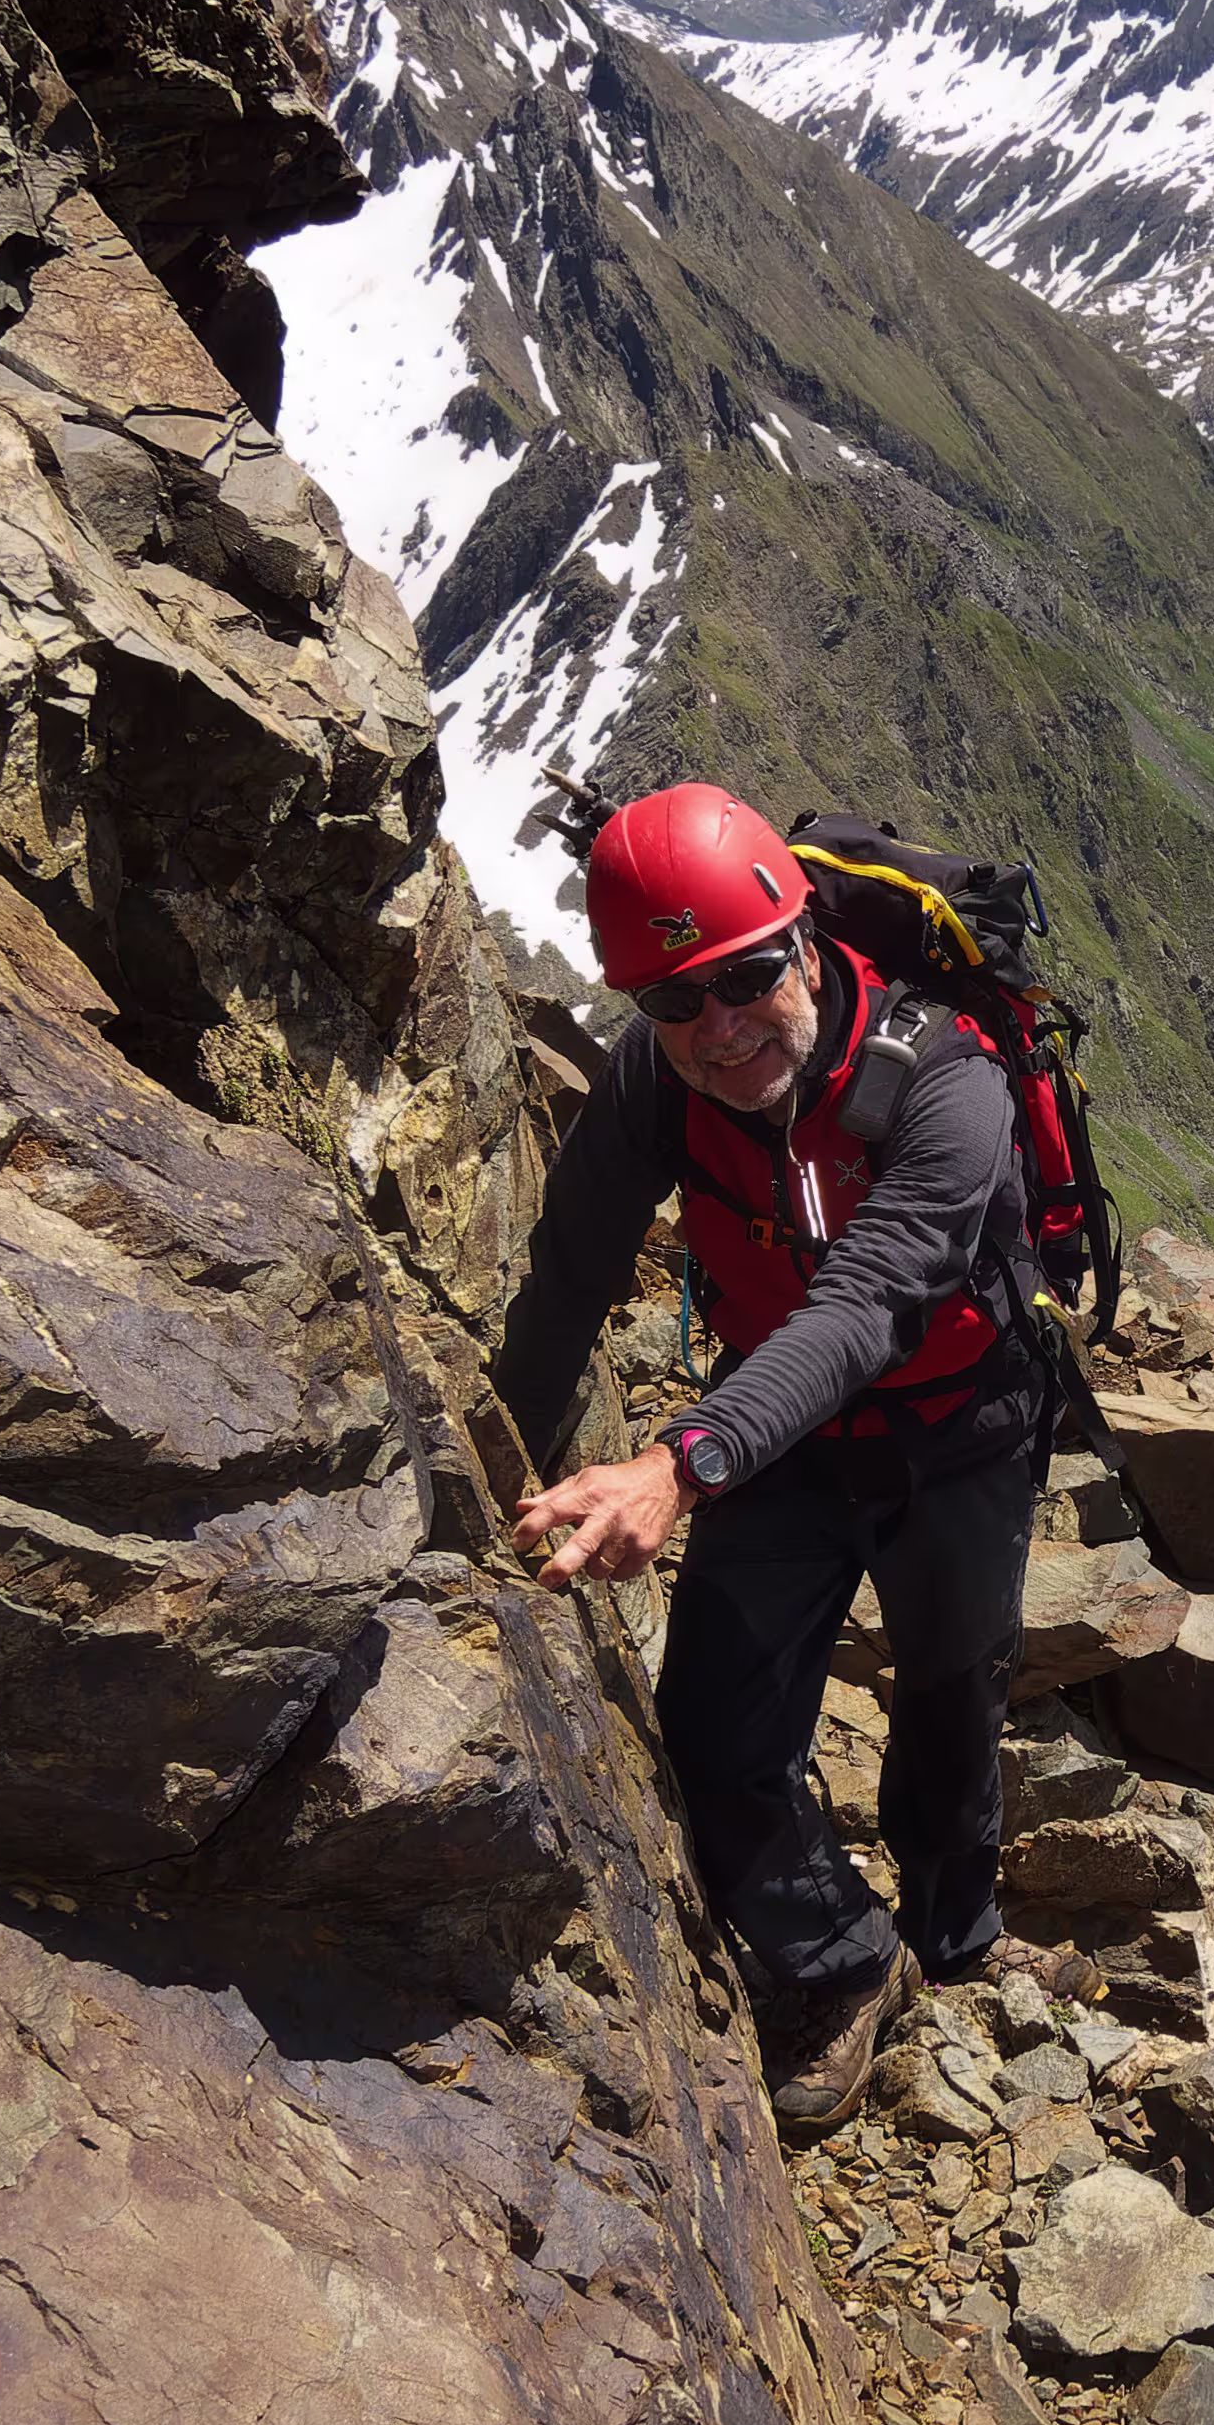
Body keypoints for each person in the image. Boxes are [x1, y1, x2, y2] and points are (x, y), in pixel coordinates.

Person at [492, 781, 1045, 2133]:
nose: (722, 1028)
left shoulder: (950, 1082)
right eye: (678, 1003)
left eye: (746, 978)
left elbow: (866, 1303)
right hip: (779, 1434)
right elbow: (571, 1271)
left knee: (952, 1685)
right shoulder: (654, 1081)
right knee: (714, 1727)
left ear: (804, 942)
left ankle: (955, 1924)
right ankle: (848, 1962)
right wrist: (488, 1455)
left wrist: (678, 1466)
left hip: (961, 1423)